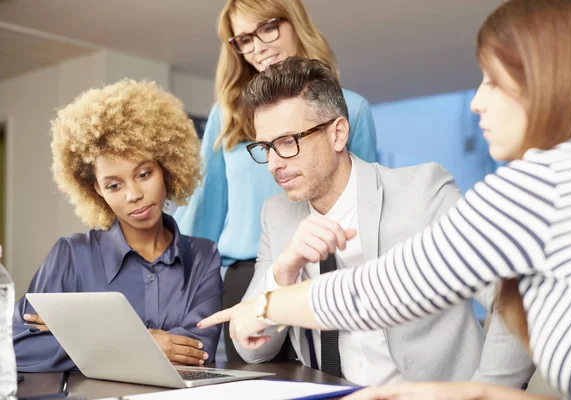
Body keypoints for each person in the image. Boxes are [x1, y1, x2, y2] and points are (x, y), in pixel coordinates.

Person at [200, 0, 571, 398]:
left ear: (339, 134)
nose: (476, 101)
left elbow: (384, 290)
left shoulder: (522, 189)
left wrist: (265, 305)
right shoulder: (568, 176)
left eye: (492, 80)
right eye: (264, 147)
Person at [232, 56, 533, 387]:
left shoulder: (422, 191)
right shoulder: (276, 214)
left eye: (288, 142)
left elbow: (515, 302)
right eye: (265, 147)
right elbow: (253, 352)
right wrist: (283, 273)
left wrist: (481, 396)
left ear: (338, 134)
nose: (274, 164)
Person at [173, 0, 377, 361]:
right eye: (244, 40)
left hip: (329, 271)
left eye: (267, 28)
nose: (258, 47)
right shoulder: (227, 116)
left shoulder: (351, 107)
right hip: (246, 274)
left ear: (294, 22)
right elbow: (204, 214)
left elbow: (366, 203)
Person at [13, 79, 223, 372]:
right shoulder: (71, 255)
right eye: (113, 185)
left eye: (144, 174)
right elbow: (17, 347)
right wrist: (146, 343)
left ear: (166, 166)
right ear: (97, 190)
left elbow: (198, 350)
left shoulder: (203, 255)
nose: (133, 195)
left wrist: (76, 333)